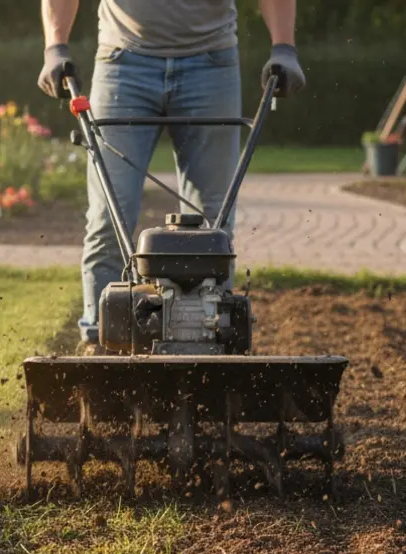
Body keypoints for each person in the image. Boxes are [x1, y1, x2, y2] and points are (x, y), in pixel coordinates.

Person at [38, 0, 305, 353]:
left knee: (215, 223)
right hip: (123, 62)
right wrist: (55, 46)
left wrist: (284, 47)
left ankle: (209, 337)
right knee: (108, 218)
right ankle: (101, 342)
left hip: (211, 64)